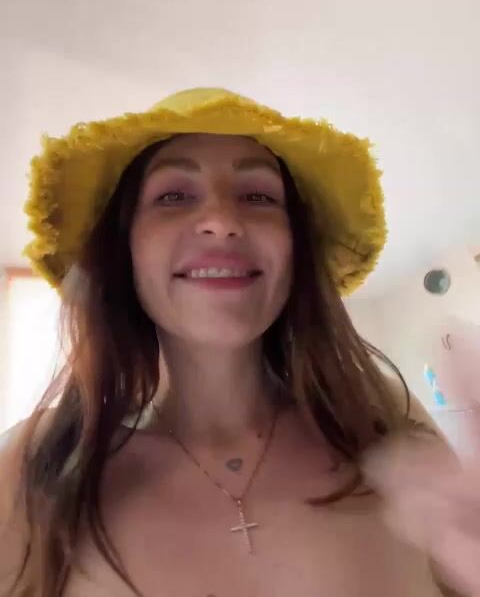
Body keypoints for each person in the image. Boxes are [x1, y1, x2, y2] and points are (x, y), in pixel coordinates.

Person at [0, 88, 478, 597]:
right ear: (126, 250)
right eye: (173, 196)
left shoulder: (384, 420)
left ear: (295, 250)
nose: (223, 222)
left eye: (258, 197)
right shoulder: (41, 464)